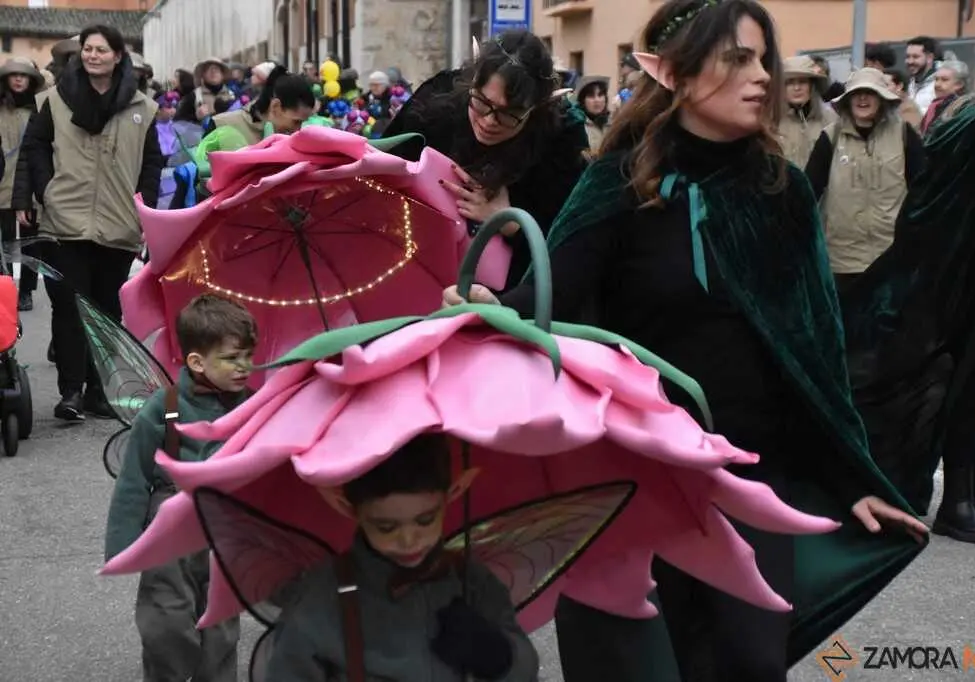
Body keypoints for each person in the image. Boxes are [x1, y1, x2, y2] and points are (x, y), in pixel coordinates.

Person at [443, 1, 927, 680]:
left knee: (747, 660)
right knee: (628, 665)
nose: (762, 76)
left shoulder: (780, 191)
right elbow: (551, 299)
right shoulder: (618, 182)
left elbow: (812, 347)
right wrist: (494, 306)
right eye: (737, 59)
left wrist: (849, 475)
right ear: (674, 72)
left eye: (763, 59)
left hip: (749, 472)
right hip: (631, 478)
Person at [841, 33, 975, 544]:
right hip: (958, 277)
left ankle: (967, 491)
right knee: (954, 381)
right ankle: (954, 499)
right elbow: (933, 198)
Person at [266, 432, 540, 681]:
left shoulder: (472, 581)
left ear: (453, 494)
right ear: (349, 509)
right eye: (386, 527)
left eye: (425, 520)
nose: (409, 541)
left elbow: (525, 668)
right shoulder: (320, 597)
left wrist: (497, 657)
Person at [12, 24, 163, 421]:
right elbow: (34, 148)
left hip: (118, 221)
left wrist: (144, 207)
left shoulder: (142, 108)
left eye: (101, 49)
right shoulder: (54, 100)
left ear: (118, 56)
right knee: (68, 307)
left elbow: (151, 163)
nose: (93, 55)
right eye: (88, 49)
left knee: (106, 310)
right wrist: (43, 190)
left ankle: (99, 391)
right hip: (64, 219)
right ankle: (71, 392)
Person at [104, 293, 255, 682]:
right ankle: (167, 672)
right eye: (232, 357)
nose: (245, 366)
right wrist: (123, 546)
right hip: (170, 528)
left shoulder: (255, 405)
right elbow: (134, 478)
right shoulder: (164, 406)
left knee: (221, 626)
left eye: (248, 356)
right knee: (164, 620)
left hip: (227, 527)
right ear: (197, 362)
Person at [386, 30, 589, 285]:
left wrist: (510, 222)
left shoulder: (560, 146)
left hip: (501, 295)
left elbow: (570, 252)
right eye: (482, 102)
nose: (489, 121)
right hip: (414, 265)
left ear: (535, 110)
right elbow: (385, 171)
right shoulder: (434, 105)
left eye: (509, 113)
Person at [803, 67, 926, 296]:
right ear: (847, 100)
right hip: (842, 258)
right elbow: (808, 191)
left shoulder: (903, 133)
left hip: (892, 255)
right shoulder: (830, 137)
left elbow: (923, 189)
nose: (862, 98)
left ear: (881, 99)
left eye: (870, 93)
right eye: (856, 93)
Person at [0, 57, 45, 311]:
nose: (18, 79)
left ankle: (26, 291)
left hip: (30, 188)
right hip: (2, 186)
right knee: (3, 245)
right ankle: (5, 290)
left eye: (24, 74)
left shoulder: (40, 108)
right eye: (13, 74)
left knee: (31, 245)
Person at [205, 64, 315, 144]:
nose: (298, 130)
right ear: (275, 106)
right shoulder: (221, 125)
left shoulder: (295, 140)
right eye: (296, 122)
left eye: (302, 123)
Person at [778, 55, 836, 168]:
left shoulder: (831, 120)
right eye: (790, 82)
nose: (796, 88)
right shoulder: (772, 121)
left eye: (802, 81)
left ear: (812, 86)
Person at [920, 60, 969, 134]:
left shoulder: (963, 108)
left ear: (959, 84)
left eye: (944, 80)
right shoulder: (935, 106)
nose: (937, 84)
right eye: (936, 79)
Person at [574, 75, 611, 158]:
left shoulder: (614, 122)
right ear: (582, 101)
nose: (597, 100)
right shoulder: (578, 125)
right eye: (591, 96)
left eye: (600, 95)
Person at [906, 36, 940, 113]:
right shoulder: (909, 84)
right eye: (908, 57)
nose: (910, 61)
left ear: (929, 58)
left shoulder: (939, 85)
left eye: (915, 57)